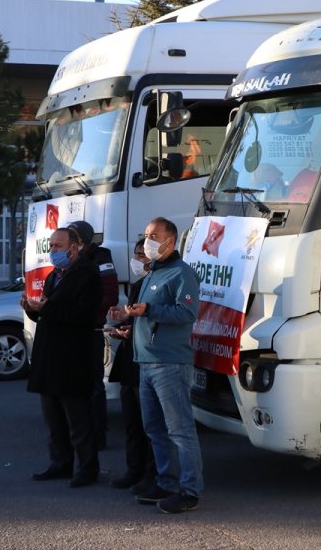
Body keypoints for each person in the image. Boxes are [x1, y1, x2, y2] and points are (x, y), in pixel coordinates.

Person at [115, 217, 203, 514]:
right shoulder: (153, 273)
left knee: (180, 430)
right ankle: (166, 483)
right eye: (146, 234)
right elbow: (148, 315)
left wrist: (150, 309)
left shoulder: (181, 274)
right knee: (154, 428)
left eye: (154, 235)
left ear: (170, 241)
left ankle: (190, 491)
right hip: (147, 362)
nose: (148, 239)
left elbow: (187, 312)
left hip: (170, 363)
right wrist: (130, 321)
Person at [22, 227, 102, 488]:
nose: (53, 251)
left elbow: (83, 315)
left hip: (72, 356)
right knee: (53, 417)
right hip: (49, 355)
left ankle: (87, 468)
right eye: (51, 246)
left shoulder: (88, 274)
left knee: (77, 419)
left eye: (58, 246)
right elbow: (48, 313)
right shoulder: (54, 275)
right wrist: (33, 310)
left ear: (74, 247)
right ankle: (60, 463)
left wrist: (49, 308)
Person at [106, 239, 156, 491]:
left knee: (150, 425)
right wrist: (122, 327)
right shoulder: (138, 285)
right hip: (129, 362)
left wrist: (130, 326)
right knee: (131, 423)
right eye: (136, 254)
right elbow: (135, 320)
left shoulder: (157, 284)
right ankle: (134, 470)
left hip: (146, 363)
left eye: (142, 254)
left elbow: (151, 321)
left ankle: (151, 474)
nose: (138, 259)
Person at [67, 220, 118, 450]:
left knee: (94, 387)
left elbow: (111, 296)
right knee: (72, 386)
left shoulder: (101, 258)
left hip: (91, 330)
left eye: (73, 240)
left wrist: (84, 310)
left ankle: (98, 436)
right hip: (69, 332)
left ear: (84, 242)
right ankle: (79, 433)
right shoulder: (68, 260)